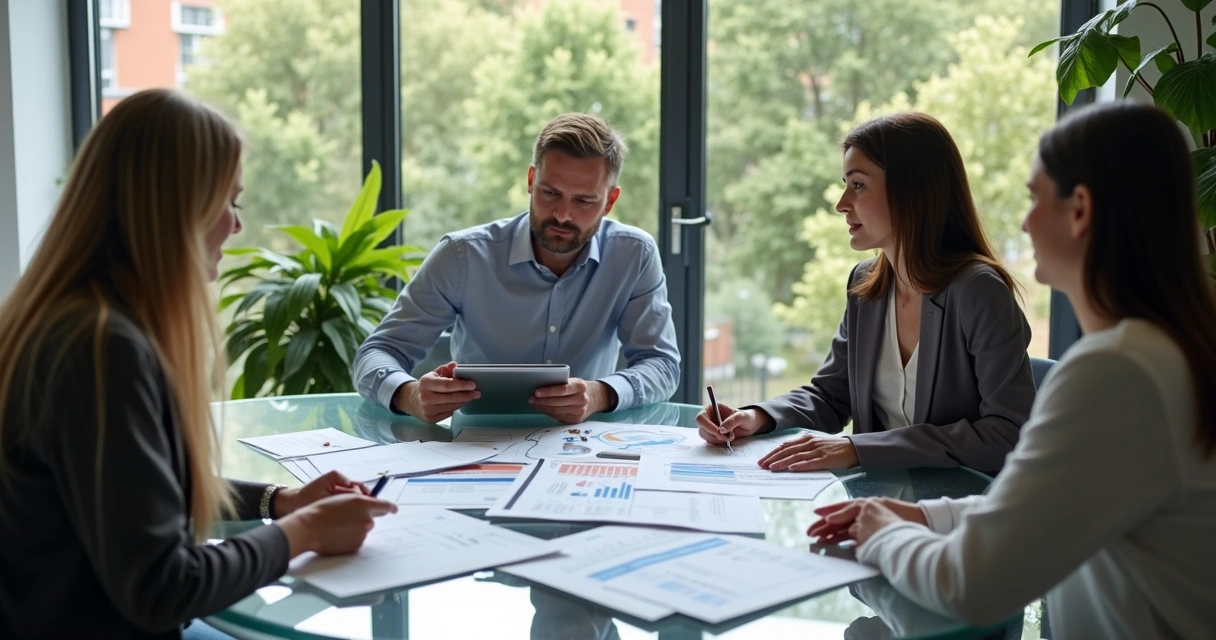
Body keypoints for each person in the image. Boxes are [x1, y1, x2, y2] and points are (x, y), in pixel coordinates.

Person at [0, 89, 398, 639]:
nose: (236, 226)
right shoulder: (102, 350)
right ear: (175, 208)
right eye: (229, 201)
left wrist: (279, 502)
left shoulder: (76, 319)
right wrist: (302, 532)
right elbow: (161, 586)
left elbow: (141, 492)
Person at [809, 102, 1216, 638]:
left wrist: (879, 530)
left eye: (1033, 198)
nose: (1024, 222)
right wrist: (928, 517)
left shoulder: (1117, 374)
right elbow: (1041, 509)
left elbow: (971, 585)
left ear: (1080, 210)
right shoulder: (1164, 354)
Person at [698, 112, 1035, 475]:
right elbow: (831, 395)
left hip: (959, 509)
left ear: (913, 190)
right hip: (877, 499)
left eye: (858, 184)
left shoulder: (978, 292)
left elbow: (1008, 434)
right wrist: (756, 417)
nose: (841, 202)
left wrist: (858, 449)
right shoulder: (865, 286)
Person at [354, 113, 680, 425]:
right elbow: (378, 352)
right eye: (550, 193)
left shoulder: (633, 254)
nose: (563, 215)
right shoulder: (462, 256)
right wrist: (408, 395)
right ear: (530, 180)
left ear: (610, 201)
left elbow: (662, 365)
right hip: (476, 444)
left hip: (585, 446)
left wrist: (601, 394)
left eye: (584, 201)